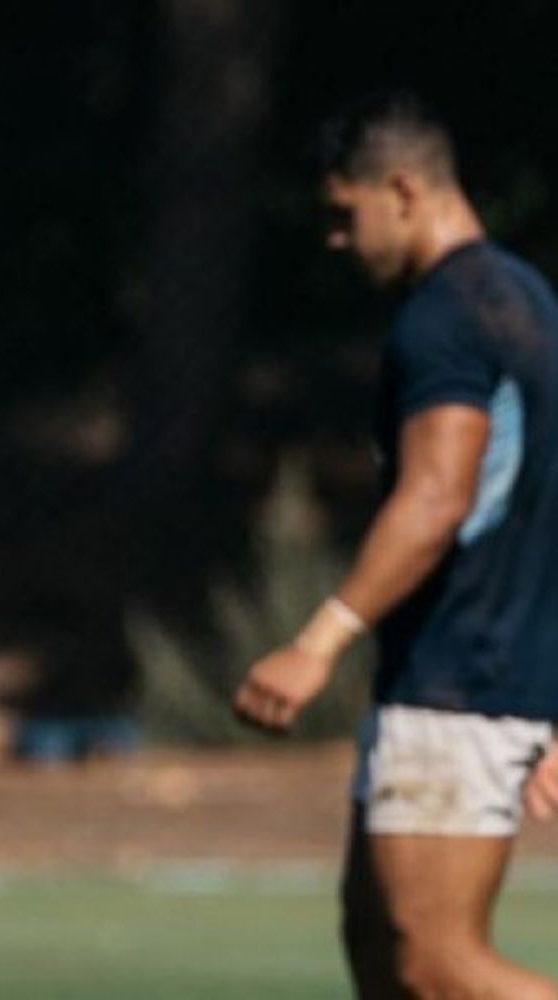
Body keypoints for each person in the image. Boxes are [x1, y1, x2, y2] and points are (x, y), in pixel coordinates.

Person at [235, 90, 558, 999]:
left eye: (346, 214)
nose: (338, 241)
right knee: (383, 958)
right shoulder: (526, 299)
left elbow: (436, 495)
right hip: (479, 678)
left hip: (457, 686)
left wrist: (319, 638)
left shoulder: (447, 317)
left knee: (436, 967)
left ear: (405, 190)